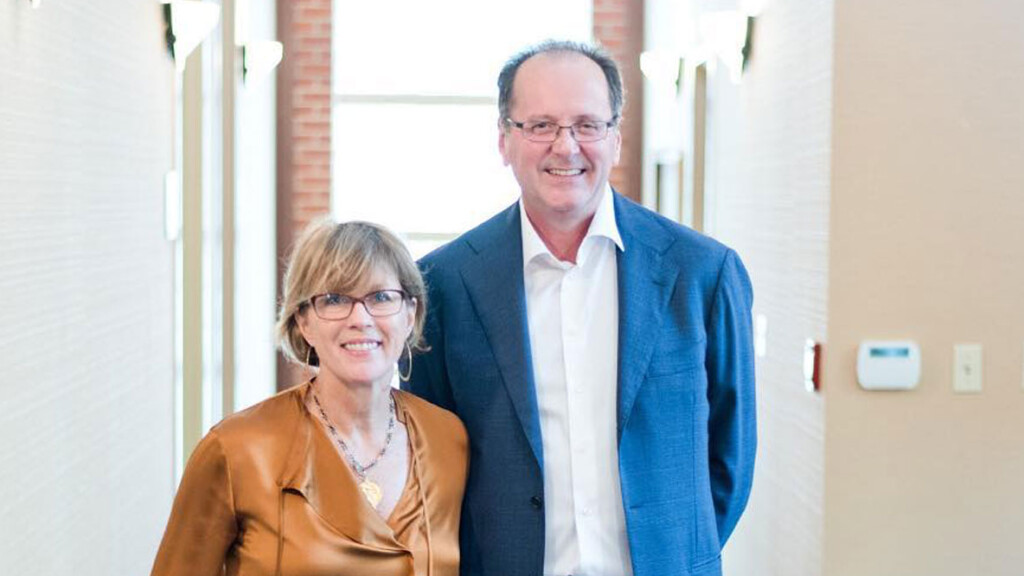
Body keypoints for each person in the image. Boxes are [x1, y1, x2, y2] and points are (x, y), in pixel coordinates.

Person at [404, 40, 756, 576]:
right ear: (504, 139)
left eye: (587, 125)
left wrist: (674, 554)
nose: (565, 147)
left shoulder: (703, 273)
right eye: (540, 125)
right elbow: (429, 458)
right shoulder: (443, 284)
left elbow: (731, 456)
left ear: (616, 137)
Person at [152, 220, 468, 576]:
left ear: (410, 315)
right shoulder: (235, 450)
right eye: (335, 300)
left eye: (381, 297)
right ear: (303, 321)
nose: (360, 318)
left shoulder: (448, 440)